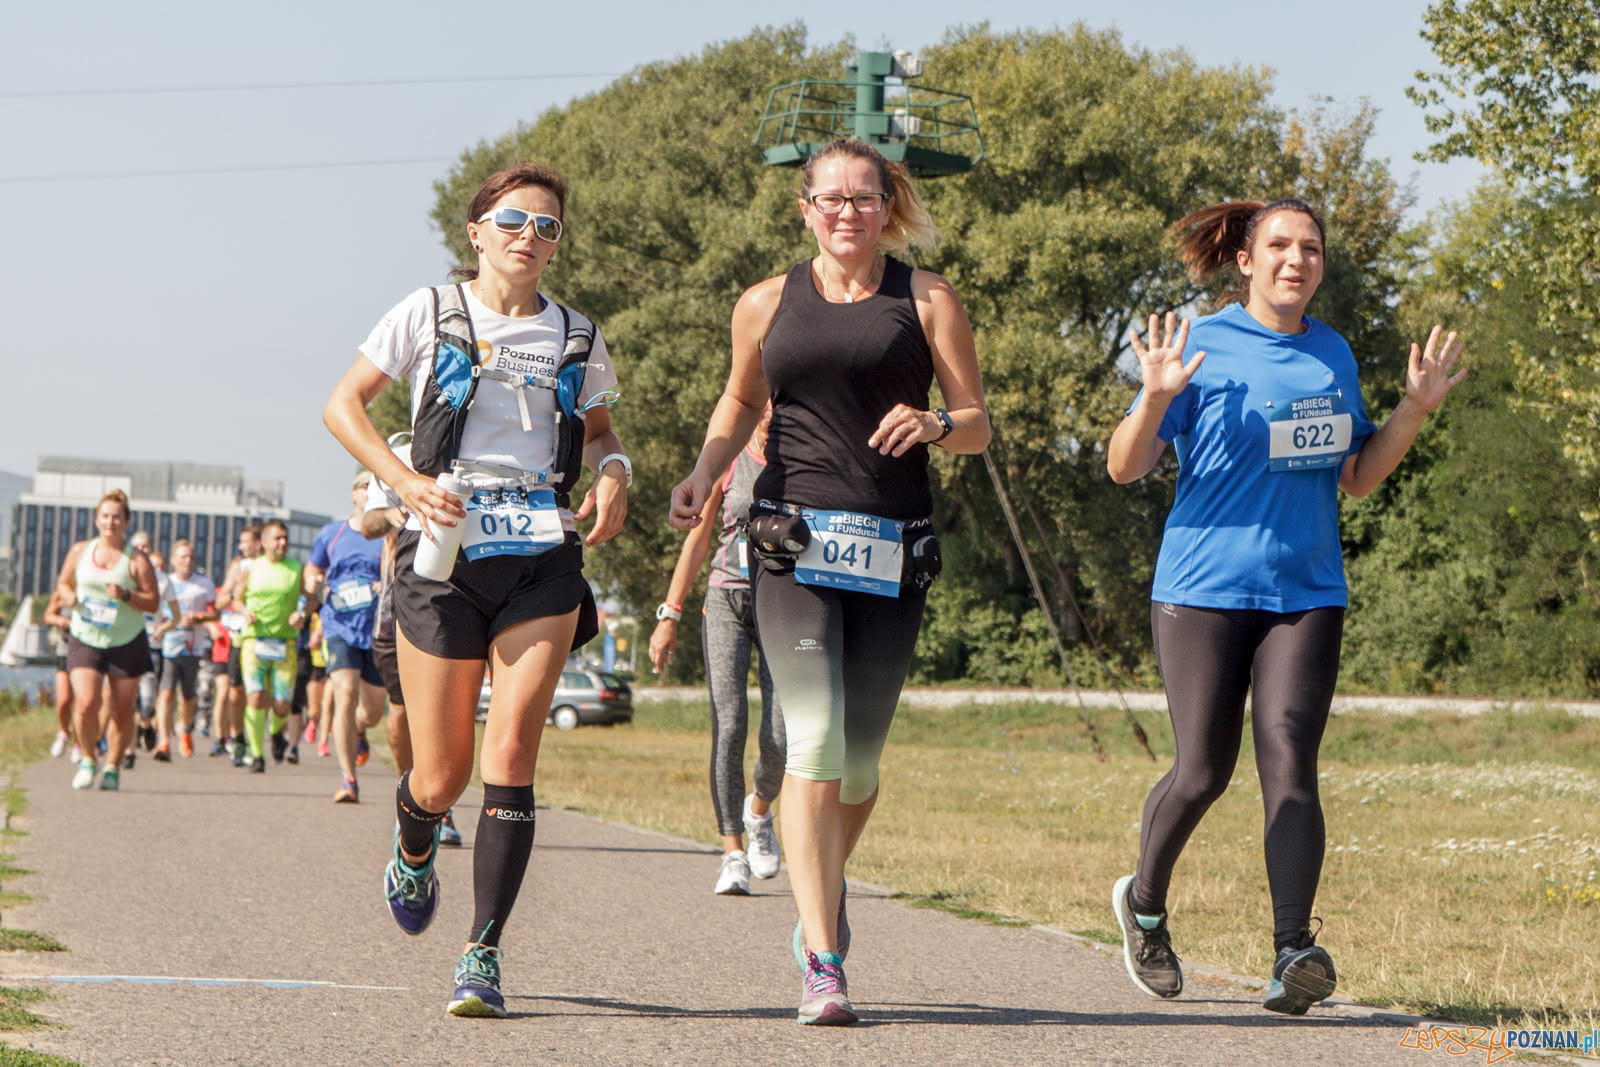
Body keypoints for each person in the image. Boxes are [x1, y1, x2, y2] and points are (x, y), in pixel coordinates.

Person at [1105, 198, 1466, 1015]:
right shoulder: (1201, 341)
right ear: (1246, 259)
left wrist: (1413, 409)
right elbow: (1125, 468)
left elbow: (1358, 475)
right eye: (1279, 245)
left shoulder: (1332, 353)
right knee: (1202, 768)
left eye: (1310, 248)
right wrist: (1155, 397)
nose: (1295, 259)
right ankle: (1146, 904)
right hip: (1200, 587)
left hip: (1305, 590)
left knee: (1290, 758)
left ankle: (1292, 950)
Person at [669, 137, 989, 1025]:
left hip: (891, 550)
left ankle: (820, 882)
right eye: (831, 199)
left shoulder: (926, 299)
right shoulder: (767, 302)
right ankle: (822, 952)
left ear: (888, 206)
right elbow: (738, 401)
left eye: (864, 197)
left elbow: (975, 424)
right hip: (792, 543)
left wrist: (933, 422)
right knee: (811, 740)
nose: (848, 211)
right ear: (805, 208)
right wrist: (704, 472)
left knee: (860, 762)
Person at [323, 161, 627, 1018]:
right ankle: (414, 840)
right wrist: (404, 481)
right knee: (443, 772)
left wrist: (614, 474)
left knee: (511, 758)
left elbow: (601, 431)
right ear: (478, 230)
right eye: (515, 220)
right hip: (444, 552)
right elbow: (343, 404)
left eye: (549, 226)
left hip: (542, 556)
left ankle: (482, 953)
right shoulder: (427, 311)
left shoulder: (576, 332)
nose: (531, 236)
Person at [650, 401, 785, 896]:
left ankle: (759, 812)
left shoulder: (800, 458)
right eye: (765, 403)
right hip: (725, 598)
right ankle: (732, 853)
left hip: (782, 602)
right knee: (729, 724)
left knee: (780, 736)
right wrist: (670, 613)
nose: (771, 413)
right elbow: (697, 541)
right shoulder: (730, 461)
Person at [363, 436, 462, 846]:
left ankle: (440, 805)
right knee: (402, 715)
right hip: (395, 611)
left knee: (442, 715)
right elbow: (369, 524)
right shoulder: (396, 455)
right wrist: (395, 508)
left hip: (452, 601)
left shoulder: (466, 448)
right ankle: (413, 802)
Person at [52, 490, 162, 791]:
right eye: (105, 516)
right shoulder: (80, 551)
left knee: (122, 709)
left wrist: (126, 594)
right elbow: (62, 582)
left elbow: (153, 602)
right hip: (86, 636)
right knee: (86, 703)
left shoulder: (136, 559)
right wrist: (69, 596)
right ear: (96, 520)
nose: (110, 522)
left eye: (116, 516)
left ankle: (112, 765)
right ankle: (88, 758)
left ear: (126, 521)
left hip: (125, 640)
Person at [305, 473, 387, 803]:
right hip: (339, 623)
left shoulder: (389, 535)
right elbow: (313, 569)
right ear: (353, 494)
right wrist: (312, 583)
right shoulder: (332, 533)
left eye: (375, 487)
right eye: (364, 486)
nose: (369, 491)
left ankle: (359, 731)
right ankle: (348, 778)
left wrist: (387, 584)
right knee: (344, 690)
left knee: (371, 713)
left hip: (378, 627)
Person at [236, 520, 307, 773]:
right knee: (255, 697)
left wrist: (301, 614)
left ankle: (276, 732)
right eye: (277, 538)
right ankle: (256, 755)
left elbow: (309, 599)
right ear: (263, 542)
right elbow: (236, 598)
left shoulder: (296, 568)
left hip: (284, 642)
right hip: (254, 640)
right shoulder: (251, 568)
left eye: (285, 538)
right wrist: (243, 611)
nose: (283, 543)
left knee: (282, 705)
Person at [151, 539, 217, 759]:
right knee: (166, 692)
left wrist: (199, 617)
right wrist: (158, 628)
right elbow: (155, 612)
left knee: (188, 697)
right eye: (182, 557)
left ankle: (184, 728)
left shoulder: (203, 584)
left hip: (193, 648)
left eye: (190, 557)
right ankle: (163, 741)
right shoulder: (164, 583)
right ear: (173, 560)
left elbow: (215, 613)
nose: (187, 561)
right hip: (169, 645)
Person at [212, 524, 263, 763]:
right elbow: (221, 601)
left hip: (264, 637)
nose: (241, 546)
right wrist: (234, 596)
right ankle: (237, 737)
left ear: (259, 542)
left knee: (261, 693)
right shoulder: (238, 567)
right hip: (239, 637)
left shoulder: (269, 565)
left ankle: (257, 740)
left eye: (245, 541)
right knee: (236, 691)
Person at [42, 591, 75, 760]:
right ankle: (64, 732)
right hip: (65, 650)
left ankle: (80, 742)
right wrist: (61, 621)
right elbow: (48, 616)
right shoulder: (63, 592)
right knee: (63, 701)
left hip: (90, 650)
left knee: (84, 703)